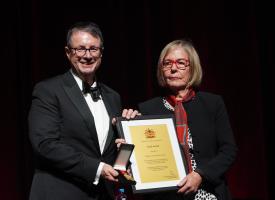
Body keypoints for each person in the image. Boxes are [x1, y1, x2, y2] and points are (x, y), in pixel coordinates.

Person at [28, 21, 138, 200]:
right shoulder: (49, 90)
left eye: (93, 49)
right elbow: (45, 144)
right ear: (68, 52)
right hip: (60, 193)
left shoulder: (113, 97)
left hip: (104, 194)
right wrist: (97, 169)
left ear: (101, 53)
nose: (87, 55)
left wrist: (132, 132)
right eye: (80, 49)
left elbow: (113, 153)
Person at [117, 39, 237, 200]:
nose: (173, 68)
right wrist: (125, 142)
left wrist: (200, 175)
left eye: (181, 63)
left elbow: (228, 150)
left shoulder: (212, 104)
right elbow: (123, 168)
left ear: (192, 67)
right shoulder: (147, 109)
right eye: (167, 63)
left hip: (208, 192)